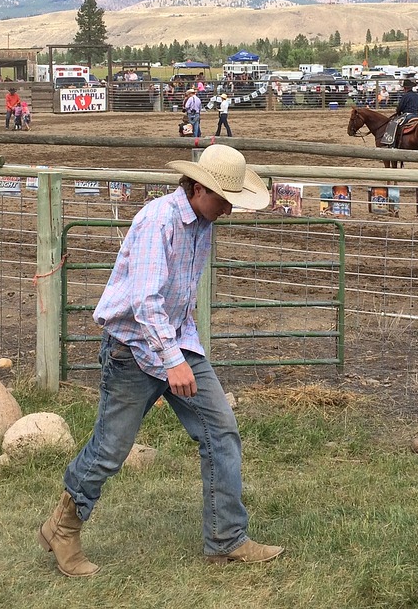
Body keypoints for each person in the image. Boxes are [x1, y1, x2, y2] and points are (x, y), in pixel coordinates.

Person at [39, 145, 282, 577]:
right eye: (225, 198)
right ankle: (63, 526)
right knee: (110, 450)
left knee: (220, 430)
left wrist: (182, 352)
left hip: (175, 343)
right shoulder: (158, 221)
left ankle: (226, 538)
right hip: (132, 349)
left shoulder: (203, 224)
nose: (229, 208)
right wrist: (174, 362)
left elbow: (177, 297)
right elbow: (144, 301)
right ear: (197, 188)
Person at [382, 79, 418, 145]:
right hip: (415, 115)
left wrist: (398, 112)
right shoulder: (416, 95)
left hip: (407, 115)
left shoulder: (405, 96)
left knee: (393, 124)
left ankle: (392, 144)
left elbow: (400, 107)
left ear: (405, 88)